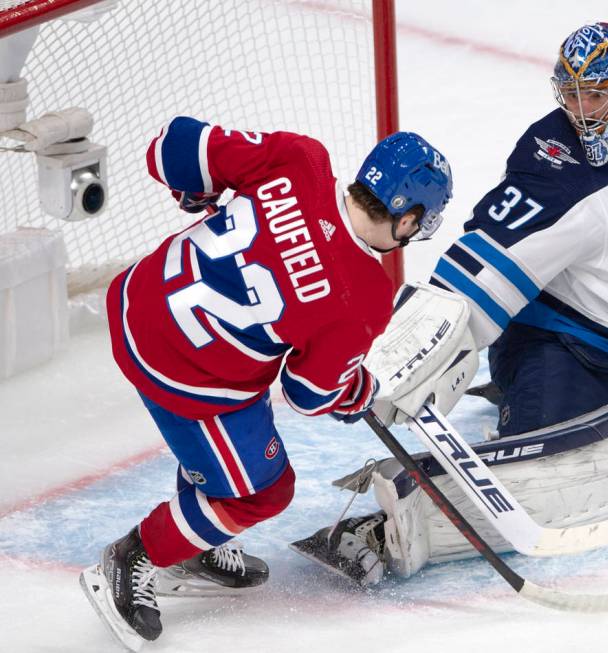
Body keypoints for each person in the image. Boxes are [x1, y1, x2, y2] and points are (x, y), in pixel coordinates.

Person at [294, 21, 608, 589]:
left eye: (598, 92)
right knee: (540, 484)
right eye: (572, 94)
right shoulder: (550, 171)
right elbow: (471, 273)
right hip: (559, 348)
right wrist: (396, 355)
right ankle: (378, 531)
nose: (585, 110)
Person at [79, 118, 452, 649]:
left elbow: (171, 147)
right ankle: (138, 553)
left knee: (232, 455)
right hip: (184, 373)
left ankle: (196, 539)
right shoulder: (364, 296)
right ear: (408, 216)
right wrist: (358, 391)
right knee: (264, 491)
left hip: (135, 299)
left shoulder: (302, 161)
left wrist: (198, 191)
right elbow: (308, 393)